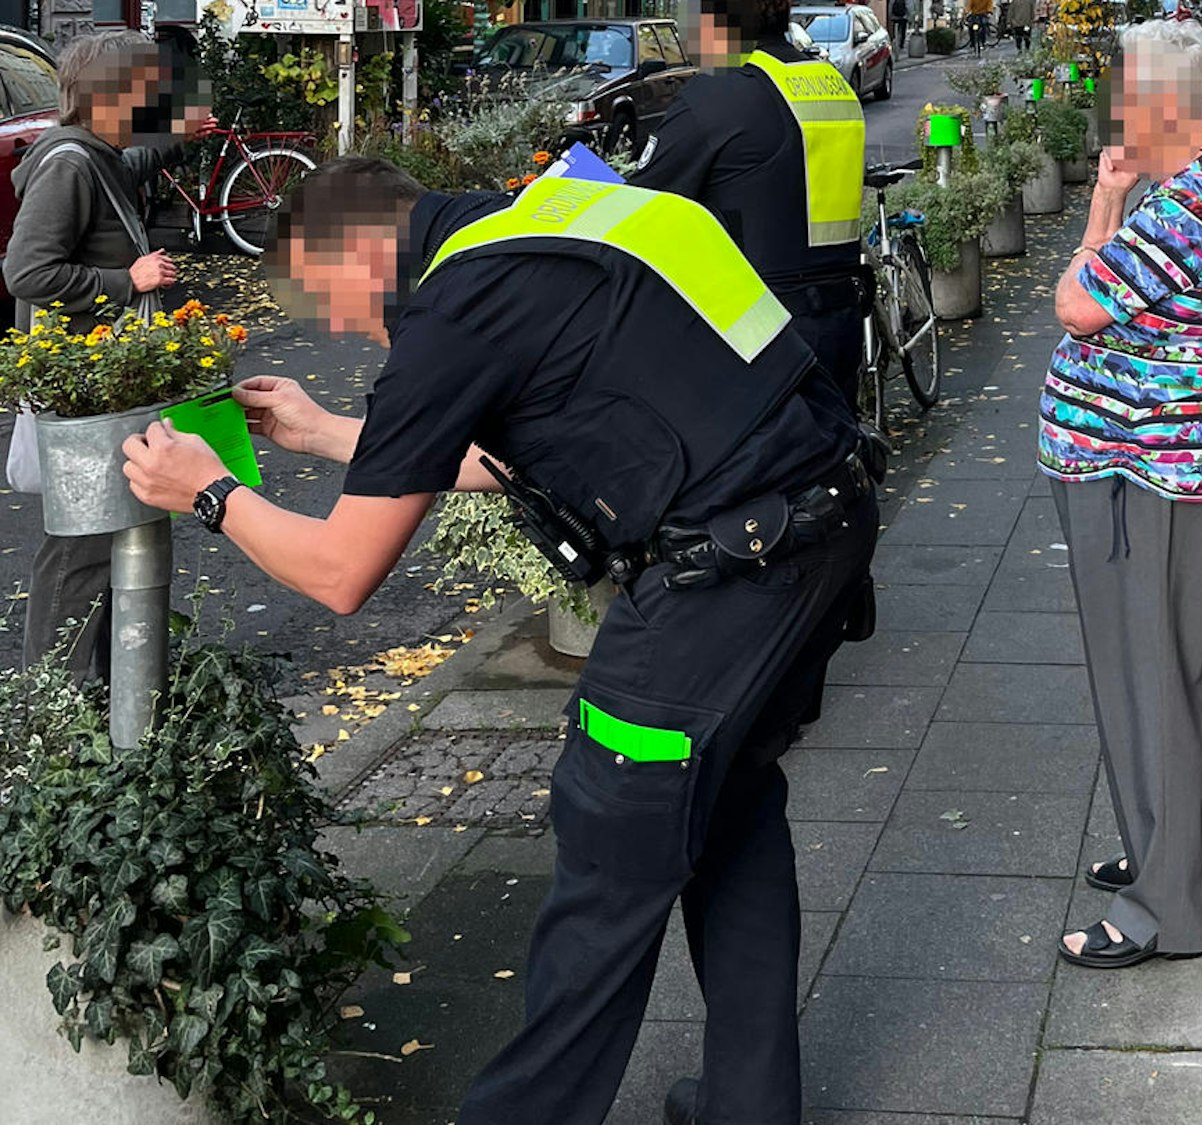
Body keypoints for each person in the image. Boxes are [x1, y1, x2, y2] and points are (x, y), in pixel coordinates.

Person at [120, 159, 879, 1125]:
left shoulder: (453, 306)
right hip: (822, 522)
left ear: (356, 246)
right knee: (730, 808)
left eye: (328, 301)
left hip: (725, 579)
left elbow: (341, 573)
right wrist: (328, 434)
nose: (351, 329)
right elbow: (531, 423)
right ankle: (749, 1103)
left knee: (611, 847)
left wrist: (212, 495)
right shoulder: (549, 223)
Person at [1040, 19, 1202, 969]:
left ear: (1168, 107)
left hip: (1145, 470)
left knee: (1149, 678)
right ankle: (1175, 856)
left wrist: (1101, 204)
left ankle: (1162, 910)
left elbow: (1076, 301)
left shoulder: (1191, 208)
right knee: (1166, 670)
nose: (1116, 111)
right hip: (1146, 464)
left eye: (1127, 94)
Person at [5, 30, 211, 682]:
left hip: (108, 378)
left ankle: (110, 687)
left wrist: (180, 138)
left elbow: (129, 172)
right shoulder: (69, 163)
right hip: (86, 387)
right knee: (84, 541)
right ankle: (52, 709)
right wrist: (130, 282)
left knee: (117, 529)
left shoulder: (99, 153)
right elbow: (26, 271)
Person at [631, 0, 868, 411]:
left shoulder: (719, 96)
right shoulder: (828, 81)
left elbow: (644, 201)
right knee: (833, 456)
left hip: (759, 328)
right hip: (840, 314)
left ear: (714, 25)